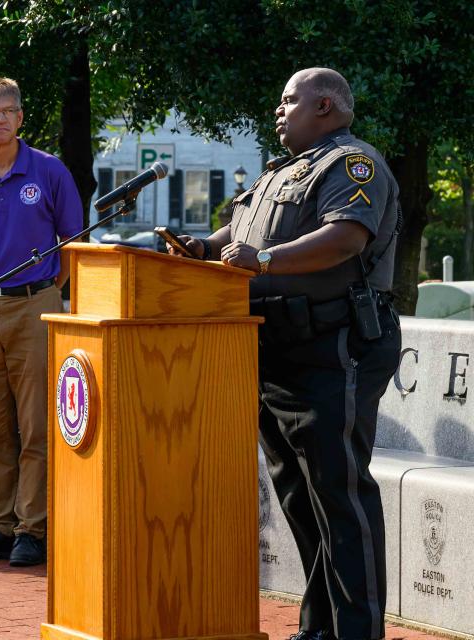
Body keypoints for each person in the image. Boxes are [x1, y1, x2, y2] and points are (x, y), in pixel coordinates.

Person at [174, 67, 400, 640]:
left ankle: (358, 633)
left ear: (324, 106)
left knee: (340, 496)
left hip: (334, 347)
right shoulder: (280, 173)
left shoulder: (353, 164)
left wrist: (266, 260)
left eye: (289, 100)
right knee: (302, 499)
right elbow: (239, 236)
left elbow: (346, 236)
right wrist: (201, 248)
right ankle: (319, 627)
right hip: (274, 351)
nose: (279, 110)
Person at [0, 77, 82, 566]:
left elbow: (71, 243)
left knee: (37, 424)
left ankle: (32, 527)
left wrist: (45, 293)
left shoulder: (49, 171)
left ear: (21, 117)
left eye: (8, 110)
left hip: (34, 305)